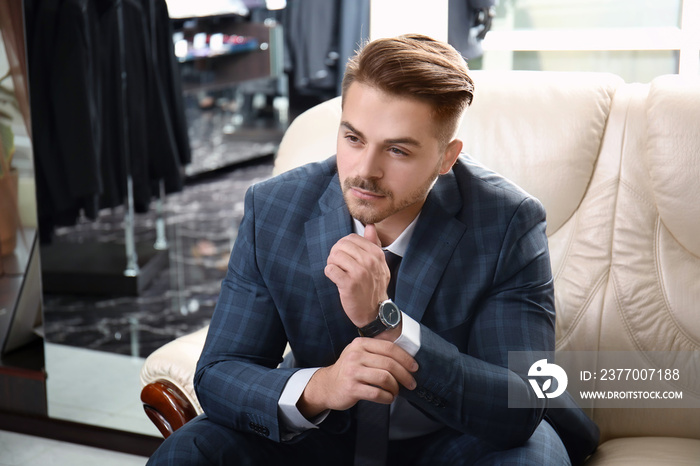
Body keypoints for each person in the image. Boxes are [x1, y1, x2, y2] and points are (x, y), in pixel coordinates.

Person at [148, 34, 598, 465]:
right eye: (353, 138)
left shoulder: (507, 222)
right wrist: (321, 387)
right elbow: (220, 371)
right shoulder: (276, 207)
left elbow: (519, 402)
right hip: (319, 439)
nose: (365, 171)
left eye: (397, 150)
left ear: (446, 157)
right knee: (191, 452)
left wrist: (388, 324)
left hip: (455, 440)